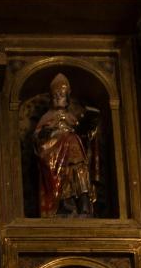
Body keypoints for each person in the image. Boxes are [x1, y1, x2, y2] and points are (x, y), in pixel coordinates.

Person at [32, 73, 99, 218]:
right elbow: (38, 139)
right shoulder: (47, 117)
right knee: (70, 141)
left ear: (67, 98)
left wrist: (89, 130)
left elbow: (82, 135)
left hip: (74, 157)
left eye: (61, 95)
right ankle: (65, 204)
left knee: (79, 168)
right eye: (55, 95)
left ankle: (83, 202)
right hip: (54, 155)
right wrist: (50, 133)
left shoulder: (72, 117)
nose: (57, 98)